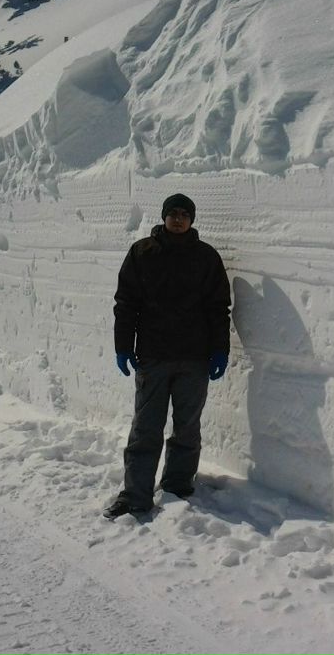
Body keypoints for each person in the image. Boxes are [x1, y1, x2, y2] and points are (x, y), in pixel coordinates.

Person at [104, 193, 231, 518]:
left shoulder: (206, 257)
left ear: (191, 220)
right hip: (154, 357)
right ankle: (135, 495)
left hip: (194, 358)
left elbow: (218, 308)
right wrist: (123, 346)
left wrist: (220, 349)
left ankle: (177, 485)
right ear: (163, 217)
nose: (178, 219)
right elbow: (126, 303)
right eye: (173, 213)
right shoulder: (142, 253)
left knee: (187, 427)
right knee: (146, 428)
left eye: (184, 214)